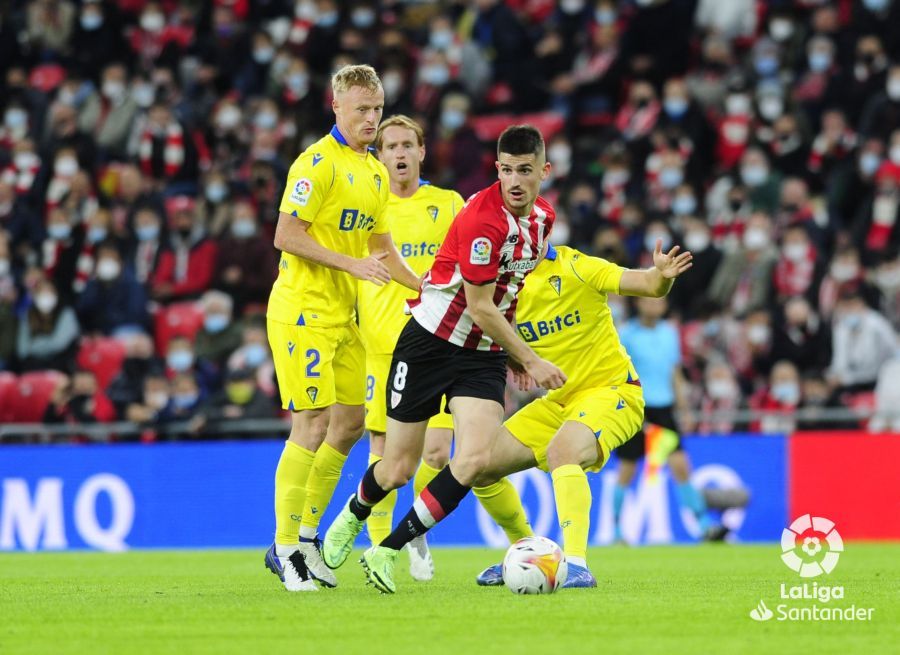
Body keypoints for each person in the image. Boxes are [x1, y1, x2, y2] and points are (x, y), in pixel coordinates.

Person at [323, 124, 566, 594]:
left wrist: (509, 349)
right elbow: (478, 305)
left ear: (544, 171)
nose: (515, 181)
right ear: (497, 169)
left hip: (481, 355)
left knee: (472, 459)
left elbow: (508, 290)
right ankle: (352, 516)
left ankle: (388, 550)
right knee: (397, 469)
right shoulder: (482, 219)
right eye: (507, 170)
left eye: (526, 171)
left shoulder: (543, 219)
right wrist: (530, 359)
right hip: (430, 343)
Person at [263, 65, 420, 592]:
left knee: (350, 423)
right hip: (302, 312)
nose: (371, 119)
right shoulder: (316, 164)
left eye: (376, 109)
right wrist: (350, 266)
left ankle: (309, 535)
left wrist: (423, 287)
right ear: (337, 108)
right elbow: (286, 234)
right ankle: (285, 550)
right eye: (362, 110)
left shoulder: (375, 172)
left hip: (343, 316)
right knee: (310, 422)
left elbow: (380, 249)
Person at [466, 238, 692, 588]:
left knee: (563, 451)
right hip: (559, 402)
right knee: (477, 464)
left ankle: (576, 564)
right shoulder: (502, 287)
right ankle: (527, 552)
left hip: (612, 391)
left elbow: (647, 284)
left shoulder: (577, 266)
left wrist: (662, 276)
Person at [358, 115, 463, 581]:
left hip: (438, 343)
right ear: (379, 155)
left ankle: (415, 527)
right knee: (383, 454)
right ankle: (381, 551)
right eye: (390, 146)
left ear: (422, 151)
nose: (398, 154)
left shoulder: (448, 203)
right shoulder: (364, 210)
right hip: (380, 347)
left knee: (438, 453)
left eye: (407, 145)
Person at [615, 295, 726, 543]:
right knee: (627, 470)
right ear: (638, 304)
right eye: (648, 301)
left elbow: (674, 372)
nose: (654, 305)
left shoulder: (669, 333)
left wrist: (684, 408)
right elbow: (618, 374)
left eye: (658, 301)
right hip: (637, 408)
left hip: (664, 409)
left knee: (681, 466)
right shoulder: (626, 334)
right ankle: (616, 530)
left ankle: (704, 525)